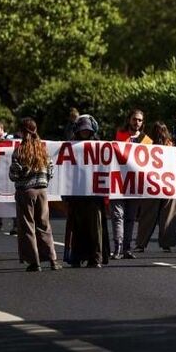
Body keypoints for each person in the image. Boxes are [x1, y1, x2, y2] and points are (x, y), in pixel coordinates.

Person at [9, 117, 60, 272]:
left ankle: (34, 262)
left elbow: (14, 175)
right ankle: (52, 260)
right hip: (42, 191)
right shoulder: (42, 149)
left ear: (22, 132)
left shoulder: (19, 151)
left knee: (27, 227)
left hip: (26, 192)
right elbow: (51, 170)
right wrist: (43, 180)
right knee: (44, 225)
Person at [64, 114, 107, 268]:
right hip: (76, 194)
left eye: (87, 130)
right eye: (82, 130)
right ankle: (76, 256)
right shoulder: (70, 146)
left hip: (94, 194)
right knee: (76, 227)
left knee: (95, 227)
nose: (85, 132)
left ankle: (95, 258)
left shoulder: (99, 146)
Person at [111, 109, 152, 259]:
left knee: (130, 217)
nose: (137, 122)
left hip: (135, 185)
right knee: (118, 216)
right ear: (129, 120)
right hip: (118, 182)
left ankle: (127, 249)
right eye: (135, 119)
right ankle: (118, 248)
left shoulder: (147, 141)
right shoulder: (119, 135)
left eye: (140, 120)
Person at [135, 121, 176, 253]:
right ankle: (159, 243)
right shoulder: (148, 142)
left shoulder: (168, 144)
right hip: (157, 184)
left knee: (156, 215)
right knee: (155, 215)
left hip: (162, 185)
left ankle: (143, 244)